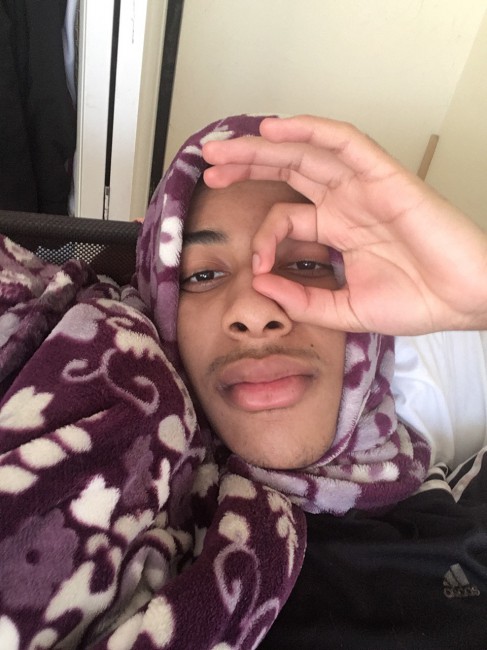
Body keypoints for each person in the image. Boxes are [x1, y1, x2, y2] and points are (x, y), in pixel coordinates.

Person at [135, 113, 487, 648]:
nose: (255, 312)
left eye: (305, 266)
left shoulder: (462, 504)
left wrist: (478, 298)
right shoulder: (124, 508)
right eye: (203, 274)